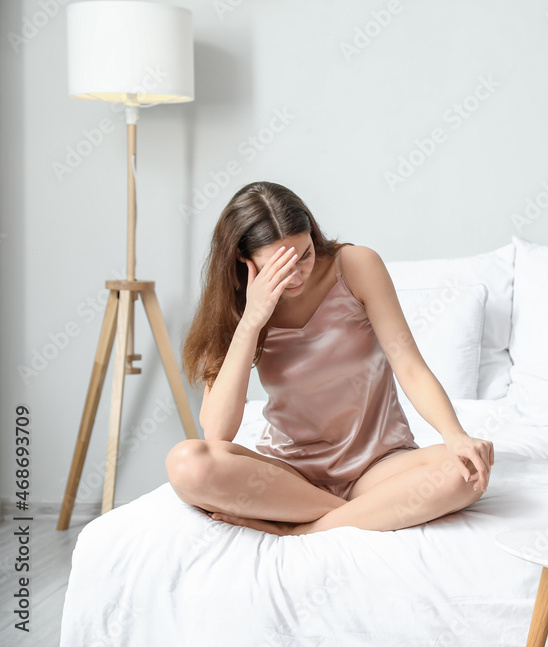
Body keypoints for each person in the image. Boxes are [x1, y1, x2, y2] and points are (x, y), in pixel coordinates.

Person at [166, 181, 493, 535]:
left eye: (303, 256)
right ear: (243, 265)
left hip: (378, 466)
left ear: (312, 235)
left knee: (469, 469)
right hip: (290, 475)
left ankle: (302, 528)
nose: (296, 276)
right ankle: (370, 512)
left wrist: (455, 434)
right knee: (187, 464)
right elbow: (217, 432)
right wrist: (252, 319)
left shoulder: (355, 266)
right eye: (278, 268)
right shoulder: (237, 307)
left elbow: (410, 367)